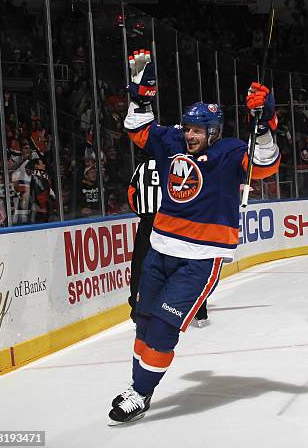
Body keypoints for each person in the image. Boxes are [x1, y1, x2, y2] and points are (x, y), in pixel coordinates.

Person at [108, 50, 280, 425]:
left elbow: (265, 166)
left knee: (166, 326)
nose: (189, 135)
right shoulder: (173, 142)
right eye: (187, 127)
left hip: (200, 260)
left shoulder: (231, 152)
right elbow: (139, 131)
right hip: (159, 250)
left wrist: (264, 122)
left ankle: (140, 392)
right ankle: (138, 384)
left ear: (213, 132)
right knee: (145, 320)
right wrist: (142, 94)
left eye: (197, 130)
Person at [127, 155, 161, 323]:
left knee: (140, 264)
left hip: (147, 222)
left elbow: (131, 194)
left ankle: (136, 308)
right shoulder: (173, 164)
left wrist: (142, 213)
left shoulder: (142, 167)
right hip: (169, 221)